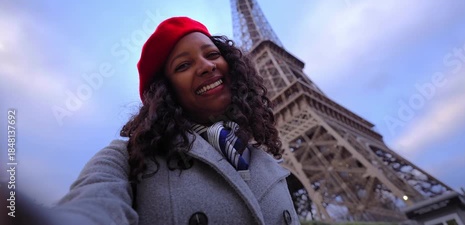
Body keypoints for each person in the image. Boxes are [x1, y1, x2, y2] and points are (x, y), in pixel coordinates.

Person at [50, 17, 300, 225]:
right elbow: (93, 205)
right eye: (183, 65)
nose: (206, 66)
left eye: (212, 54)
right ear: (166, 91)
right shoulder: (128, 158)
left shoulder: (267, 161)